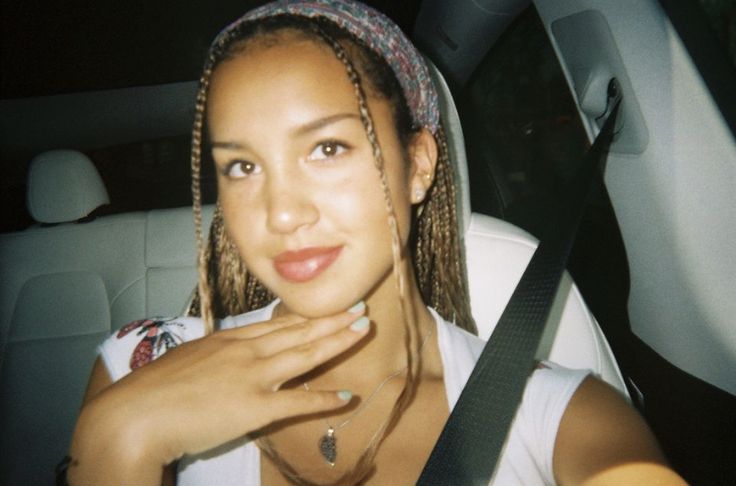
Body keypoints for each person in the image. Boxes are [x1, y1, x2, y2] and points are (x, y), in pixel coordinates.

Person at [67, 1, 685, 484]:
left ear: (417, 164)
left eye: (328, 148)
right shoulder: (135, 373)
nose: (281, 213)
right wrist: (119, 443)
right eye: (242, 167)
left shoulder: (561, 418)